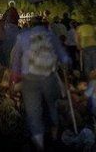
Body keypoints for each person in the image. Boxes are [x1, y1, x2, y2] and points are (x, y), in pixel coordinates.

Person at [11, 18, 71, 151]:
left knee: (34, 111)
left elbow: (15, 59)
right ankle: (54, 138)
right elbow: (64, 57)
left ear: (31, 26)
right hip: (48, 77)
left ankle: (39, 144)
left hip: (30, 79)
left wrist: (15, 77)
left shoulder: (23, 36)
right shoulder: (51, 36)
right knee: (51, 106)